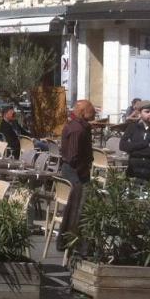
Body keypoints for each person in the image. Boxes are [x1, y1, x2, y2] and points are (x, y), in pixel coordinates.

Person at [58, 99, 96, 244]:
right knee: (78, 208)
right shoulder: (77, 129)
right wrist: (83, 171)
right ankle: (74, 240)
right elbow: (73, 157)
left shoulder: (78, 127)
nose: (93, 112)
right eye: (91, 109)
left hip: (74, 170)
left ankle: (75, 239)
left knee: (78, 207)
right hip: (76, 173)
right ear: (83, 112)